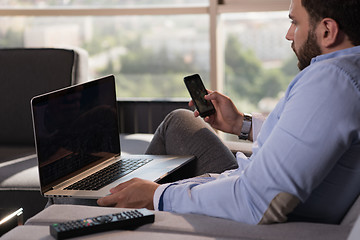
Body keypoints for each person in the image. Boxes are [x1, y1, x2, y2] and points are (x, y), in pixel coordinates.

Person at [97, 0, 360, 225]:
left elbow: (256, 201)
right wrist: (240, 124)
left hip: (243, 210)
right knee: (179, 121)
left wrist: (156, 196)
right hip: (240, 180)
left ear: (327, 30)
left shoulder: (331, 81)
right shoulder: (344, 74)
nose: (289, 35)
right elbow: (306, 135)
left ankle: (101, 211)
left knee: (113, 196)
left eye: (295, 23)